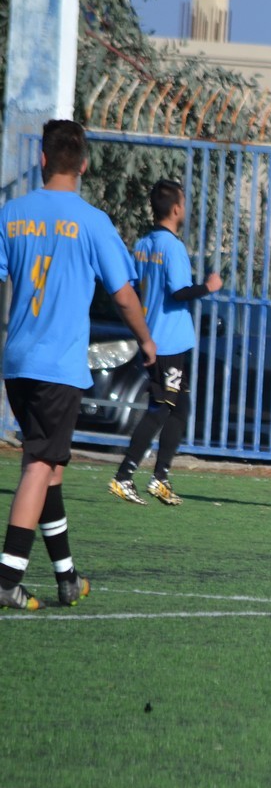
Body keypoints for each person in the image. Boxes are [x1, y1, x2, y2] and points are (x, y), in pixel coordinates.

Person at [0, 119, 156, 610]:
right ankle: (7, 579)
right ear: (84, 165)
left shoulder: (12, 213)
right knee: (39, 465)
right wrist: (146, 340)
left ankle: (67, 577)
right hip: (58, 365)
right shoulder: (92, 222)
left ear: (43, 159)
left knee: (49, 468)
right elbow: (123, 294)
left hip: (18, 362)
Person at [109, 180, 223, 506]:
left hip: (155, 336)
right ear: (175, 209)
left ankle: (160, 477)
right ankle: (124, 476)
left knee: (179, 409)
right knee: (160, 409)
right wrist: (209, 286)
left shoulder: (143, 244)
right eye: (183, 203)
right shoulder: (172, 247)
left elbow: (133, 287)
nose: (185, 209)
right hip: (168, 343)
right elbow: (179, 291)